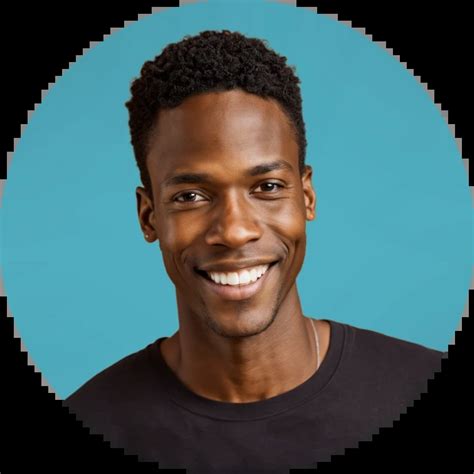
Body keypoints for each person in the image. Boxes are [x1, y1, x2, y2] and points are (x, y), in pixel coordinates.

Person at [63, 30, 446, 473]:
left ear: (306, 197)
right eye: (190, 196)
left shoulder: (418, 386)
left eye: (267, 187)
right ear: (149, 217)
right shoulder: (94, 420)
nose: (235, 230)